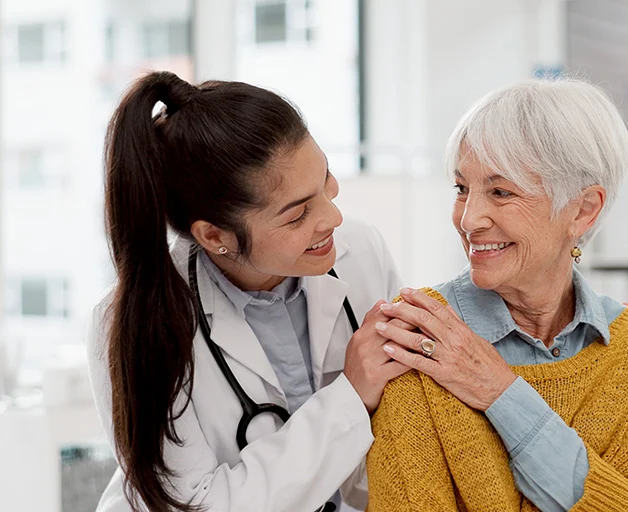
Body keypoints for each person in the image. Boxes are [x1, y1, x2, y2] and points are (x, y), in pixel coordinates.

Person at [87, 71, 411, 512]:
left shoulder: (360, 253)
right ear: (216, 235)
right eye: (297, 215)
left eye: (326, 180)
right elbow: (195, 504)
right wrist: (350, 398)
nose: (332, 217)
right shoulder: (135, 323)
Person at [366, 79, 628, 511]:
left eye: (500, 192)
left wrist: (500, 391)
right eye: (461, 189)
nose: (469, 219)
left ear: (583, 210)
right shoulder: (418, 335)